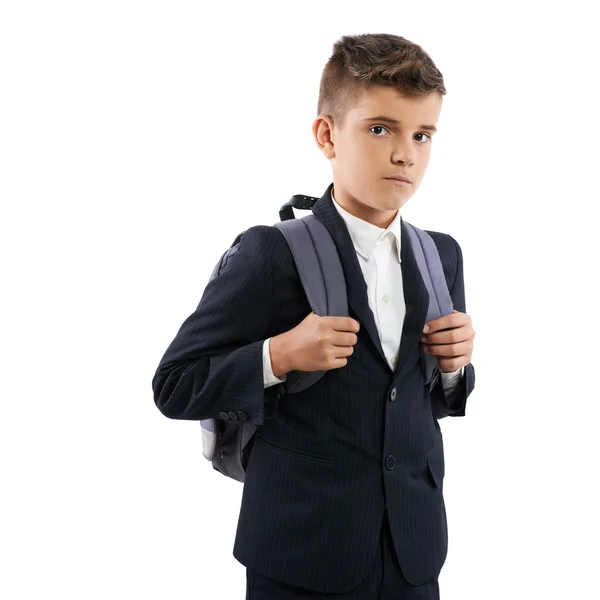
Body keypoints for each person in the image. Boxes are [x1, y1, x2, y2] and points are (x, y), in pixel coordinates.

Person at [152, 32, 476, 600]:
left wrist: (455, 368)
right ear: (328, 135)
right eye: (380, 129)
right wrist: (277, 356)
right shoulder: (269, 253)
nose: (406, 154)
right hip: (301, 554)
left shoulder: (440, 254)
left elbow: (418, 401)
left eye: (422, 135)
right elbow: (174, 385)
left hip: (413, 551)